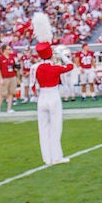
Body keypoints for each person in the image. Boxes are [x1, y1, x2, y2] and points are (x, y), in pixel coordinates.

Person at [31, 13, 74, 165]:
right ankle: (56, 156)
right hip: (53, 95)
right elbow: (70, 66)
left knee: (43, 129)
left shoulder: (35, 68)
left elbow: (32, 86)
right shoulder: (54, 67)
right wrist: (62, 55)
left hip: (42, 97)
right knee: (55, 127)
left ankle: (47, 158)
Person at [0, 45, 21, 114]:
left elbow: (15, 68)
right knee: (1, 94)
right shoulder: (0, 58)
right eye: (8, 49)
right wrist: (0, 78)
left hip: (12, 77)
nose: (9, 50)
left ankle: (9, 108)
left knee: (11, 93)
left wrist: (17, 76)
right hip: (4, 77)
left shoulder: (12, 58)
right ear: (4, 50)